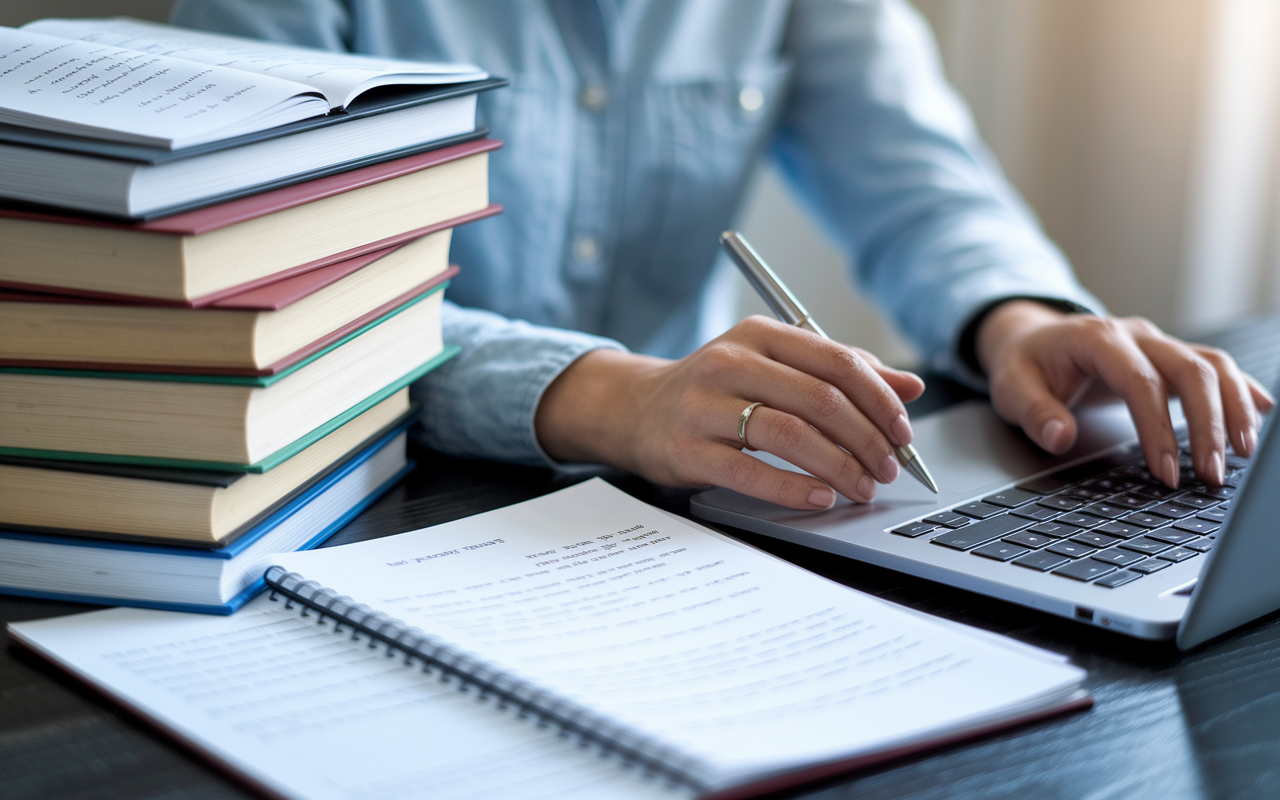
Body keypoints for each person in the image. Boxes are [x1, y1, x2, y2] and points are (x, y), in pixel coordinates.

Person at [174, 0, 1272, 510]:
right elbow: (275, 298)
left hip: (676, 501)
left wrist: (1021, 318)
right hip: (349, 497)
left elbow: (919, 186)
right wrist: (613, 399)